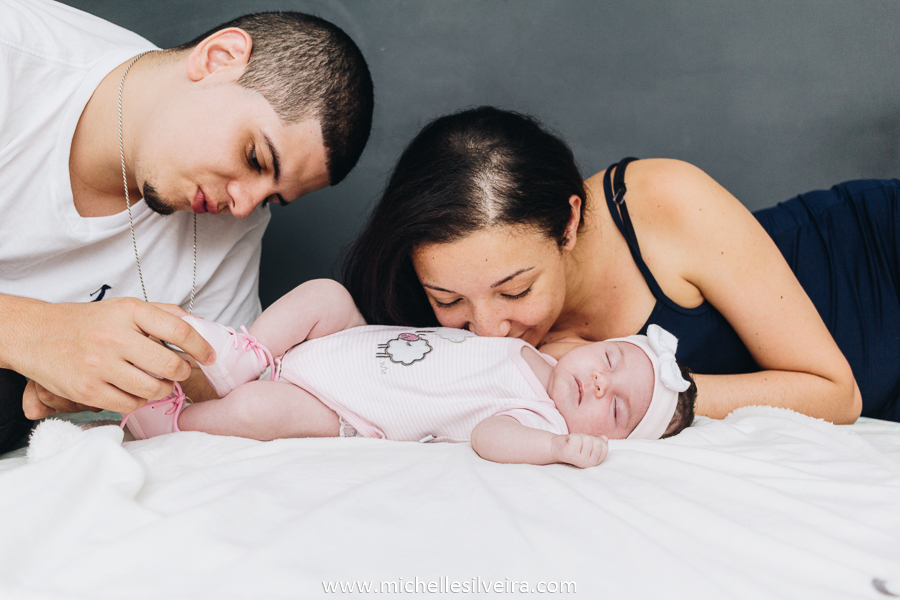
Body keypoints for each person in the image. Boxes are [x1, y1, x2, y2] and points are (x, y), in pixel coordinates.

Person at [343, 106, 900, 425]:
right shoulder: (437, 297)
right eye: (449, 301)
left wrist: (662, 397)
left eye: (515, 291)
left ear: (568, 223)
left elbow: (835, 392)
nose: (488, 330)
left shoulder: (663, 203)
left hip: (879, 261)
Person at [0, 0, 374, 452]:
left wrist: (124, 376)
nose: (243, 205)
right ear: (218, 59)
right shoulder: (14, 57)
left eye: (271, 198)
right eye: (254, 158)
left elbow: (218, 389)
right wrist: (38, 335)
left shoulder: (236, 221)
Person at [119, 279, 697, 468]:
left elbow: (488, 438)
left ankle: (175, 423)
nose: (599, 382)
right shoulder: (536, 352)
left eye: (615, 406)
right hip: (349, 341)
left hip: (341, 409)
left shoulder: (534, 415)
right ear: (599, 346)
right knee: (327, 293)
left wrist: (554, 447)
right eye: (611, 362)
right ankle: (250, 353)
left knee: (259, 413)